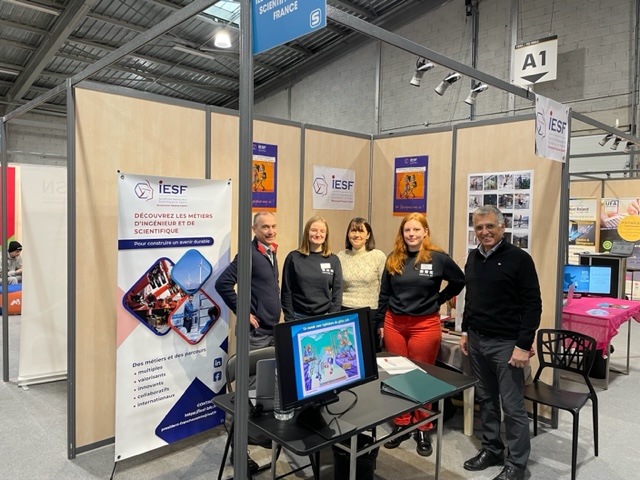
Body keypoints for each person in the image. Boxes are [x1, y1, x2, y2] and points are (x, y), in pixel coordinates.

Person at [460, 205, 542, 480]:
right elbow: (471, 298)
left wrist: (523, 345)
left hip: (506, 344)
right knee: (486, 399)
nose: (484, 232)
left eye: (490, 226)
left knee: (512, 406)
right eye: (479, 227)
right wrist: (464, 331)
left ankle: (517, 464)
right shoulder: (473, 257)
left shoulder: (519, 259)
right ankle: (492, 449)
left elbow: (533, 305)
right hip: (477, 340)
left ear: (502, 227)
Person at [376, 213, 464, 457]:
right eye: (407, 230)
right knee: (399, 375)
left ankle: (423, 426)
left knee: (421, 376)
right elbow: (384, 293)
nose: (412, 234)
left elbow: (459, 281)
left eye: (416, 229)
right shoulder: (394, 258)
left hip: (424, 325)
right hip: (394, 323)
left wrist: (439, 299)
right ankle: (402, 422)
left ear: (425, 232)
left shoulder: (438, 258)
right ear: (402, 233)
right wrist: (380, 322)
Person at [215, 211, 281, 350]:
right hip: (255, 335)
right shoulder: (248, 254)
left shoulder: (270, 251)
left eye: (274, 226)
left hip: (272, 331)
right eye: (265, 227)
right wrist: (242, 312)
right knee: (253, 366)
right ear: (254, 229)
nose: (271, 231)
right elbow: (222, 284)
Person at [336, 217, 386, 349]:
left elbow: (385, 290)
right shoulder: (340, 256)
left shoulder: (378, 256)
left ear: (368, 235)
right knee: (347, 352)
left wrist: (381, 321)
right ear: (348, 234)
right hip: (345, 311)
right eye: (353, 231)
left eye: (361, 231)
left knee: (369, 352)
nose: (356, 235)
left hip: (370, 313)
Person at [281, 216, 342, 321]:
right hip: (298, 317)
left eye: (322, 231)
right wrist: (289, 318)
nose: (318, 234)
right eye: (314, 230)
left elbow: (337, 293)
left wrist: (331, 318)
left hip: (325, 317)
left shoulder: (333, 260)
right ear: (307, 232)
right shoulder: (293, 258)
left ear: (326, 234)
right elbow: (286, 291)